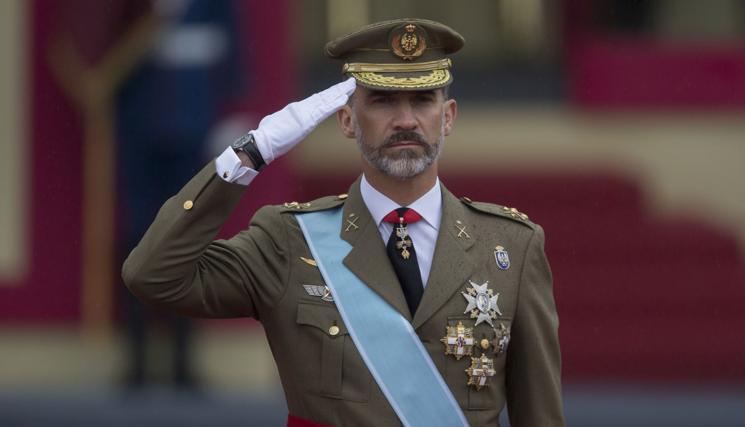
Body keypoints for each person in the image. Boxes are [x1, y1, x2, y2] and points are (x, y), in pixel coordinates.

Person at [123, 18, 564, 427]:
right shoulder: (289, 240)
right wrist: (248, 155)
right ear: (347, 120)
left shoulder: (510, 248)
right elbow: (154, 275)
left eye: (422, 100)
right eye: (383, 101)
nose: (406, 120)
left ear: (447, 117)